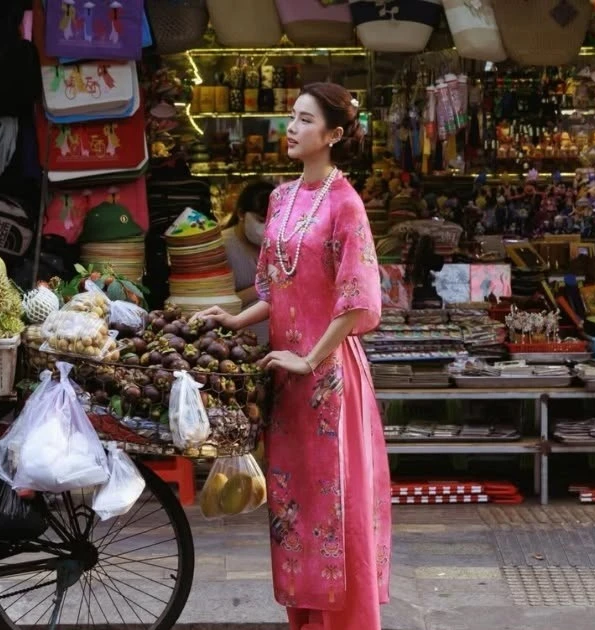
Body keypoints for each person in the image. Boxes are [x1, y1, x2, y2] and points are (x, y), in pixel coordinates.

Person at [195, 82, 391, 630]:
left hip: (328, 381)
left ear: (333, 135)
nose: (292, 127)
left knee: (332, 505)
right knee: (293, 505)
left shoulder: (347, 206)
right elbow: (274, 289)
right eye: (292, 116)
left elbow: (357, 304)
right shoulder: (281, 197)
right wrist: (237, 319)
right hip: (287, 378)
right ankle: (304, 619)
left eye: (306, 120)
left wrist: (309, 360)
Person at [222, 180, 273, 342]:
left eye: (273, 221)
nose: (267, 228)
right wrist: (265, 286)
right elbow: (219, 304)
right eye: (260, 220)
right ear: (241, 214)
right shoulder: (221, 249)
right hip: (238, 345)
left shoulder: (281, 245)